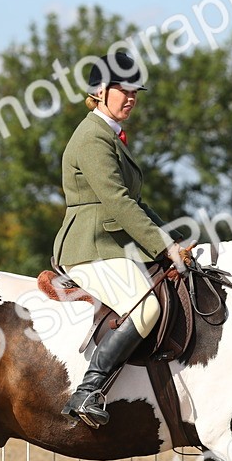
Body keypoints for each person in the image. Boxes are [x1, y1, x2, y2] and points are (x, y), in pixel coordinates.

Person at [53, 51, 189, 428]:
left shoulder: (109, 136)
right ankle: (89, 391)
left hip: (111, 244)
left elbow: (137, 202)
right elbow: (118, 200)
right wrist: (163, 247)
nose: (131, 98)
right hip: (90, 246)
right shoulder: (92, 138)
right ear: (99, 91)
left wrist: (175, 240)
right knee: (147, 308)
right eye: (123, 90)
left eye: (135, 92)